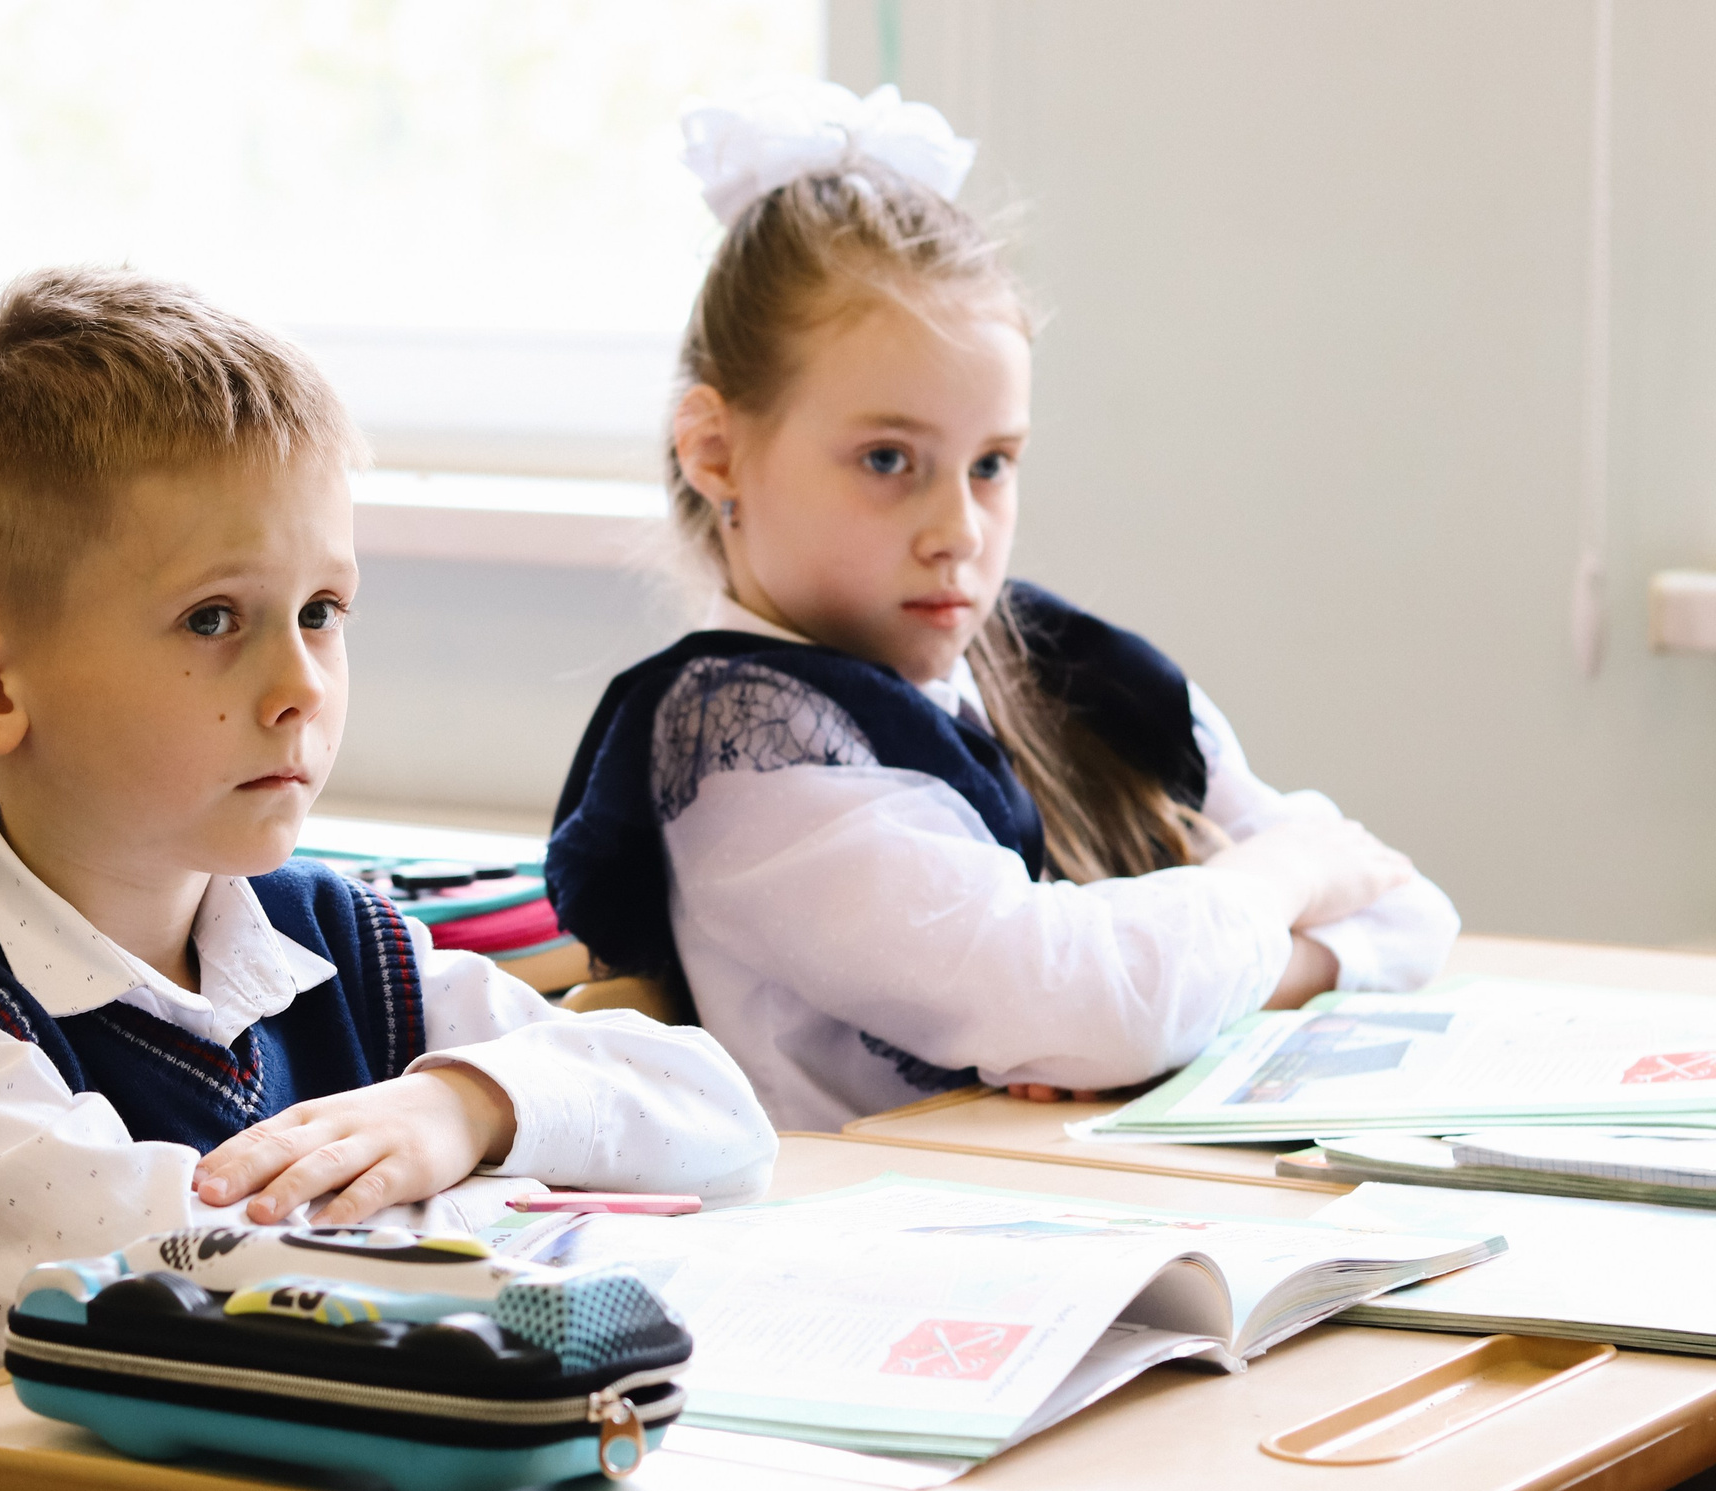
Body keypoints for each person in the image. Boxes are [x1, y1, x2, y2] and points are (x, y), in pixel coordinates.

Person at [0, 268, 777, 1491]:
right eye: (217, 619)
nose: (300, 685)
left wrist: (462, 1105)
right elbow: (203, 1280)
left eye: (323, 610)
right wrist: (528, 1196)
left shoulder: (330, 930)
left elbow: (716, 1117)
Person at [547, 80, 1459, 1132]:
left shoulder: (1062, 668)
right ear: (714, 451)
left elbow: (1404, 910)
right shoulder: (747, 748)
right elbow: (1081, 999)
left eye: (991, 464)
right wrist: (1285, 878)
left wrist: (1182, 999)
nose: (958, 529)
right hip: (885, 1251)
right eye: (887, 459)